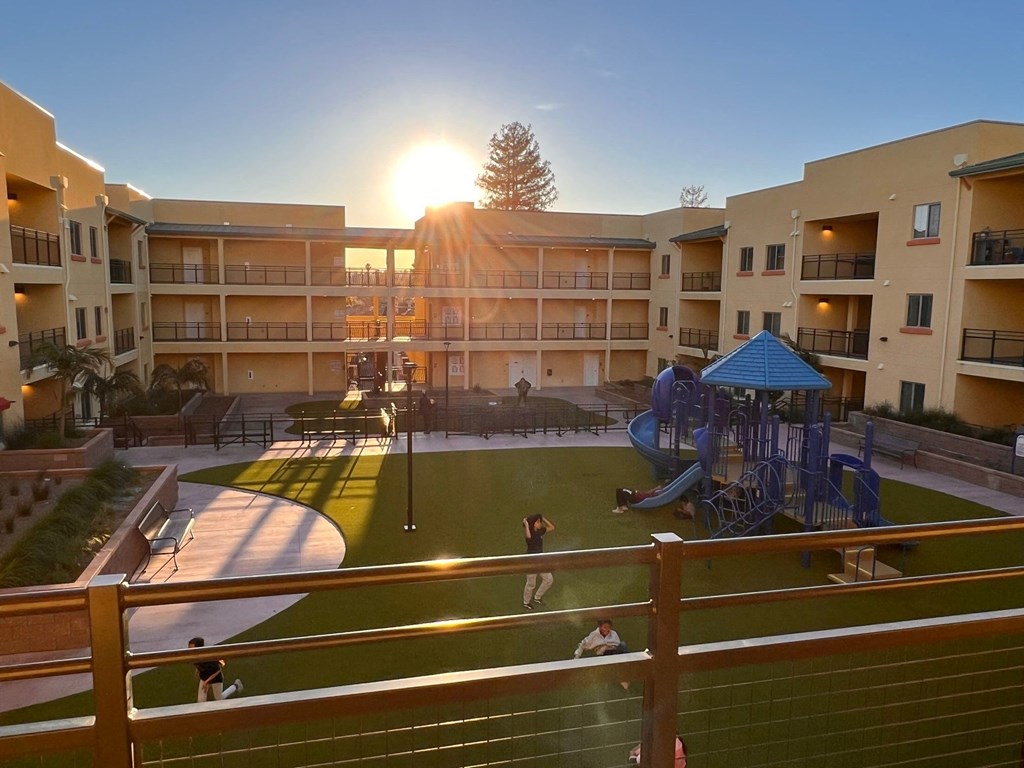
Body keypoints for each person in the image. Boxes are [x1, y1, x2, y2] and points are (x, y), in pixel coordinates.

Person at [188, 636, 243, 702]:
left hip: (215, 679)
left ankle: (236, 686)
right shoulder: (193, 655)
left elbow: (217, 670)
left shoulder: (207, 658)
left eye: (192, 648)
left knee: (219, 698)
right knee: (201, 700)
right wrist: (198, 671)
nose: (189, 649)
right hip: (204, 677)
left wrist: (206, 682)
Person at [522, 513, 554, 610]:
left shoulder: (540, 532)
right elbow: (528, 536)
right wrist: (527, 524)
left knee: (549, 579)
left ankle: (537, 597)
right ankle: (526, 602)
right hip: (531, 562)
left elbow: (552, 527)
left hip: (540, 560)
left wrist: (543, 518)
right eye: (538, 522)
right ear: (533, 524)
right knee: (531, 583)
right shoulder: (530, 533)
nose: (540, 523)